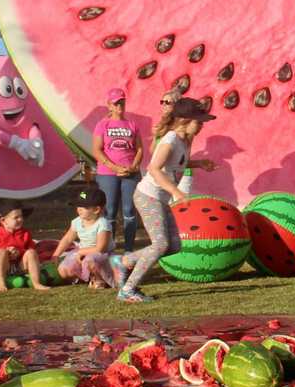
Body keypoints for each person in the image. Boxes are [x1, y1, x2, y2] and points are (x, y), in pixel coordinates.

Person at [109, 97, 217, 303]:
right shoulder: (170, 140)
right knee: (160, 244)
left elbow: (176, 164)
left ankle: (124, 261)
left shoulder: (186, 139)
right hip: (148, 196)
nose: (202, 125)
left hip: (160, 197)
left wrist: (199, 164)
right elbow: (154, 169)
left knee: (174, 245)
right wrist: (176, 191)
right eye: (199, 121)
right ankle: (128, 290)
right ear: (185, 120)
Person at [92, 88, 143, 252]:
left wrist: (134, 166)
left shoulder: (132, 125)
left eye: (122, 101)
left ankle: (129, 248)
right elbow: (97, 150)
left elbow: (140, 149)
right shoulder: (102, 125)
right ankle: (110, 247)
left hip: (130, 174)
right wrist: (114, 167)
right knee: (110, 211)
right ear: (109, 105)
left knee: (129, 210)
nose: (120, 105)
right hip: (108, 174)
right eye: (116, 103)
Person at [52, 185, 111, 287]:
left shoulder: (103, 223)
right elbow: (67, 239)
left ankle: (99, 279)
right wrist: (56, 254)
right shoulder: (77, 222)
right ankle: (83, 278)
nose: (79, 209)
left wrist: (81, 252)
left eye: (84, 207)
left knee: (90, 261)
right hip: (82, 252)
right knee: (63, 271)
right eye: (78, 205)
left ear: (96, 209)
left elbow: (101, 248)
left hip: (102, 255)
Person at [0, 200, 50, 293]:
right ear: (3, 221)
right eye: (16, 217)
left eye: (21, 216)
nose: (20, 219)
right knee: (0, 252)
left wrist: (19, 252)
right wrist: (5, 253)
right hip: (5, 267)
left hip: (20, 266)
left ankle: (36, 283)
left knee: (31, 252)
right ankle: (1, 283)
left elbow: (32, 251)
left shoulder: (25, 233)